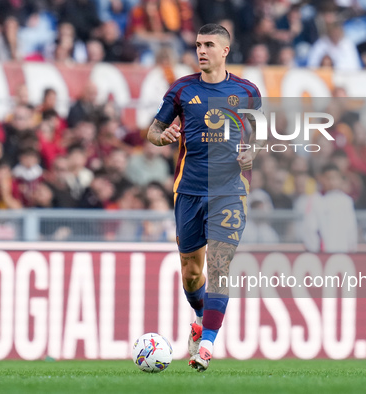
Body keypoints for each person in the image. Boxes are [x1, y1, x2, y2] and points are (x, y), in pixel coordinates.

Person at [147, 23, 262, 372]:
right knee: (192, 273)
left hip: (229, 191)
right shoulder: (182, 90)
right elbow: (152, 130)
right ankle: (200, 318)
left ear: (225, 50)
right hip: (189, 190)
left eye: (209, 44)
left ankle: (206, 345)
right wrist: (161, 136)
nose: (201, 50)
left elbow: (255, 135)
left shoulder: (247, 90)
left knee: (219, 265)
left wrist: (250, 153)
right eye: (198, 44)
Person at [302, 163, 358, 253]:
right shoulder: (315, 200)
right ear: (321, 179)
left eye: (335, 178)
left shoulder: (346, 201)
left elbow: (351, 228)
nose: (332, 182)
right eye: (328, 178)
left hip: (344, 252)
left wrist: (352, 249)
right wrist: (314, 250)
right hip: (323, 253)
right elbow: (310, 228)